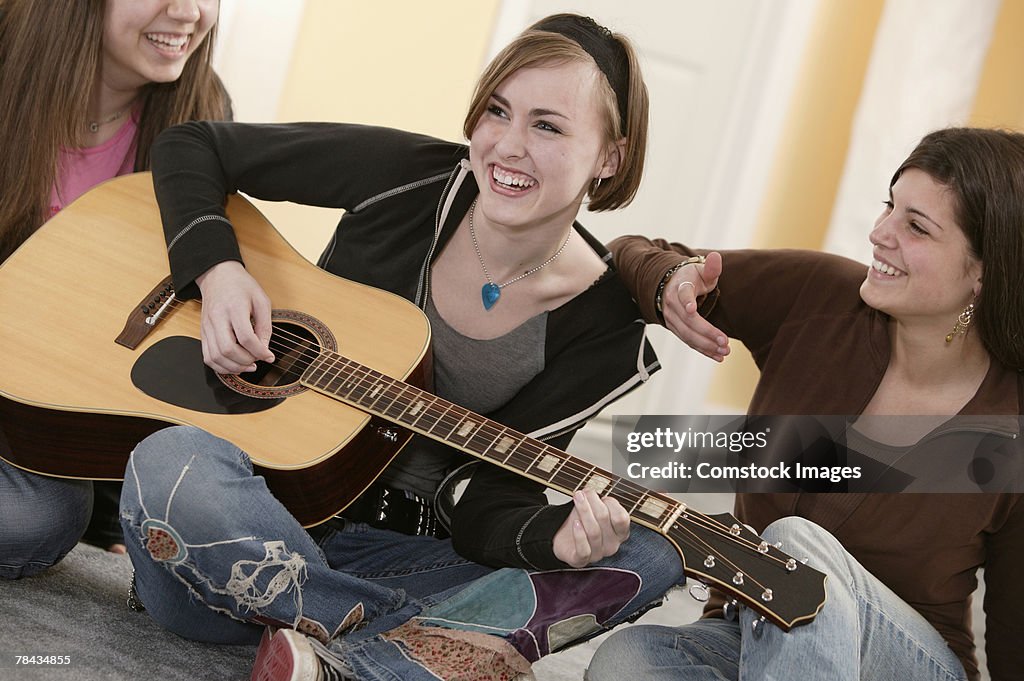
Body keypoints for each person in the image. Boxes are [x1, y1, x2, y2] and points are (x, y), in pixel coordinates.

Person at [124, 13, 685, 681]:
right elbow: (190, 146)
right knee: (171, 464)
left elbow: (485, 505)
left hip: (404, 553)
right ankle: (416, 652)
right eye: (497, 111)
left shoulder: (601, 325)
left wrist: (554, 537)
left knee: (652, 547)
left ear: (611, 157)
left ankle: (346, 662)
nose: (507, 145)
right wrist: (218, 271)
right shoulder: (406, 175)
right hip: (256, 527)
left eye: (548, 125)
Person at [588, 127, 1024, 681]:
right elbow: (631, 253)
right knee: (628, 660)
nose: (879, 233)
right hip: (750, 631)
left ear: (985, 270)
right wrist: (671, 280)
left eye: (916, 227)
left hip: (905, 665)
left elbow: (1014, 634)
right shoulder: (819, 298)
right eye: (890, 207)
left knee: (797, 548)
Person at [0, 0, 227, 576]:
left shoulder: (204, 116)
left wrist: (115, 509)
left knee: (42, 520)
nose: (188, 12)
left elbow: (141, 334)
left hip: (26, 409)